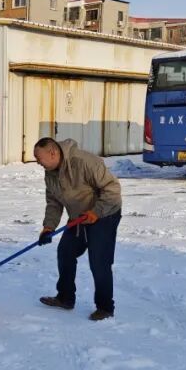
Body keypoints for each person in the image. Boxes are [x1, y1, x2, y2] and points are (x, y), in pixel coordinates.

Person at [34, 137, 123, 321]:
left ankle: (105, 308)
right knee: (65, 252)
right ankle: (65, 298)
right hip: (79, 217)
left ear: (53, 153)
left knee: (99, 261)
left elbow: (112, 189)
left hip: (104, 215)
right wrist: (48, 227)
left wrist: (96, 212)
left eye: (38, 158)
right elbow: (54, 202)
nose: (37, 162)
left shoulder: (84, 162)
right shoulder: (50, 173)